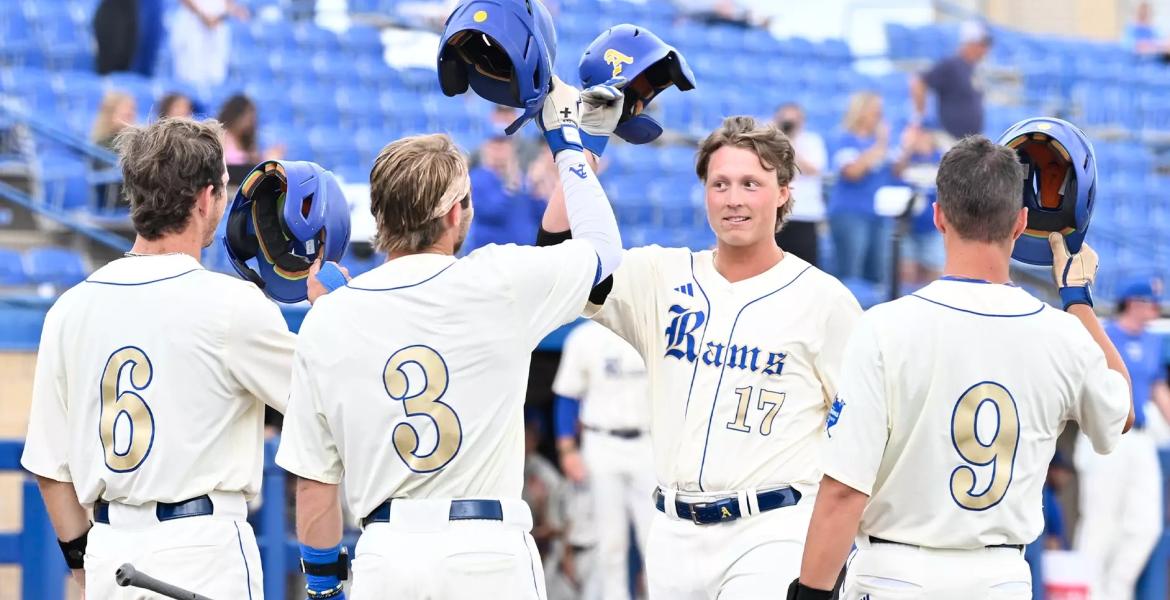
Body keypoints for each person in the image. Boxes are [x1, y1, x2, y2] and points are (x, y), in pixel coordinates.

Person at [274, 77, 625, 600]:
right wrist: (573, 145)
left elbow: (314, 483)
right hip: (489, 551)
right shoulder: (500, 280)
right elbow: (602, 250)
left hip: (386, 555)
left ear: (379, 216)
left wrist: (324, 588)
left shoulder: (331, 315)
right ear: (455, 212)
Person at [789, 135, 1133, 600]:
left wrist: (811, 593)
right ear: (1020, 222)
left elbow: (844, 492)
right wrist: (1078, 298)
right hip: (1000, 577)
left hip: (895, 573)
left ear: (938, 216)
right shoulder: (1064, 334)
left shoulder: (884, 326)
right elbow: (1121, 412)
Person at [540, 114, 861, 599]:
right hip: (672, 531)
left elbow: (863, 440)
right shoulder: (661, 276)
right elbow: (558, 259)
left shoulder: (826, 301)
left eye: (751, 184)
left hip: (771, 527)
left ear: (783, 193)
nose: (734, 198)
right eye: (720, 184)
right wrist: (585, 147)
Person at [20, 117, 300, 599]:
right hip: (202, 549)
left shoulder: (69, 308)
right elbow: (327, 402)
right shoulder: (232, 304)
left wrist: (88, 570)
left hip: (111, 550)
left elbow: (50, 470)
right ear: (205, 199)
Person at [1075, 278, 1169, 600]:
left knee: (1146, 525)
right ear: (1134, 303)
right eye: (1151, 303)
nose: (1155, 310)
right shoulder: (1104, 334)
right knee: (1100, 522)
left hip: (1140, 436)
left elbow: (1157, 388)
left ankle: (1117, 591)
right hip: (1106, 436)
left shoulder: (1153, 341)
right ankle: (1091, 593)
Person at [552, 319, 653, 600]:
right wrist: (567, 449)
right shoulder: (584, 336)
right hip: (601, 442)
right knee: (609, 542)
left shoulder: (649, 326)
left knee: (655, 538)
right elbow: (567, 396)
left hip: (649, 442)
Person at [829, 91, 893, 285]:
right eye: (875, 110)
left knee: (877, 275)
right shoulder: (845, 139)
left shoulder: (879, 145)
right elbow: (853, 172)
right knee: (850, 273)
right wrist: (880, 145)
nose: (879, 116)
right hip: (851, 213)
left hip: (877, 214)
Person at [910, 20, 991, 142]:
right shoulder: (951, 65)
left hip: (969, 142)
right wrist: (919, 115)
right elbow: (919, 82)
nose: (985, 50)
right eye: (982, 45)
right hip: (951, 139)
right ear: (970, 43)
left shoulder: (973, 69)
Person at [465, 134, 545, 249]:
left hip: (525, 253)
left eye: (504, 146)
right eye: (495, 147)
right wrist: (510, 188)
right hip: (491, 254)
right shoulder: (477, 177)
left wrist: (537, 188)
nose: (500, 153)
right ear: (486, 149)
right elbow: (490, 212)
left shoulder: (522, 179)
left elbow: (540, 215)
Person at [773, 102, 828, 267]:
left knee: (805, 269)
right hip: (776, 215)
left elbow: (813, 169)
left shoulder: (812, 141)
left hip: (805, 215)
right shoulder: (770, 143)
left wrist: (789, 143)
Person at [894, 124, 944, 288]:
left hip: (932, 227)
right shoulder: (905, 159)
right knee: (906, 274)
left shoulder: (941, 158)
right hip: (907, 226)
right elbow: (895, 173)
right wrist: (907, 149)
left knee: (934, 275)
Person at [170, 0, 249, 92]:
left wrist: (231, 9)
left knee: (217, 74)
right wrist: (203, 15)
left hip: (218, 22)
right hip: (192, 22)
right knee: (190, 76)